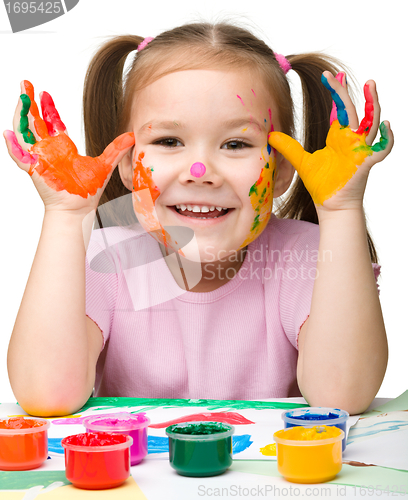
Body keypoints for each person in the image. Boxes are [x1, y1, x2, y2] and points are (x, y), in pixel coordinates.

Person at [5, 22, 393, 417]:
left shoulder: (309, 257)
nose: (199, 168)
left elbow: (342, 397)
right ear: (125, 163)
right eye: (169, 141)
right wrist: (67, 217)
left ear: (280, 171)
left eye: (236, 143)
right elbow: (46, 395)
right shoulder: (103, 260)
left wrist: (341, 212)